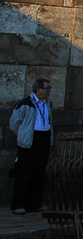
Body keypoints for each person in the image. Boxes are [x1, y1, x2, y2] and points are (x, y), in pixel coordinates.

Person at [9, 78, 54, 215]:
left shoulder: (48, 104)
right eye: (47, 88)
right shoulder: (25, 103)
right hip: (30, 140)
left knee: (39, 172)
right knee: (24, 172)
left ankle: (34, 203)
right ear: (38, 89)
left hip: (44, 137)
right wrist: (23, 135)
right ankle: (19, 204)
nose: (49, 91)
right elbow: (14, 124)